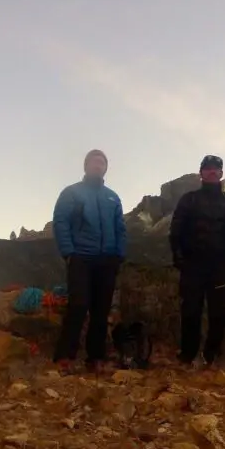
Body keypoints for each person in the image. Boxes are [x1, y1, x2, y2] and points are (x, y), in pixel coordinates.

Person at [51, 149, 128, 374]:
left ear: (106, 168)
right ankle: (65, 356)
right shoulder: (72, 193)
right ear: (86, 166)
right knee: (78, 305)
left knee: (101, 310)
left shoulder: (112, 197)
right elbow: (61, 222)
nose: (98, 165)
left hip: (107, 260)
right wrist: (69, 253)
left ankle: (95, 358)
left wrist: (119, 254)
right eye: (94, 162)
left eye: (102, 162)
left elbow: (120, 228)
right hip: (81, 258)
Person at [169, 155, 225, 368]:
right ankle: (188, 354)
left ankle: (212, 355)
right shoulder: (189, 199)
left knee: (219, 312)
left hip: (220, 264)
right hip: (192, 263)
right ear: (201, 172)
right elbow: (176, 229)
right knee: (190, 310)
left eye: (216, 169)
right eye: (208, 168)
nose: (212, 172)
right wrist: (177, 254)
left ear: (221, 173)